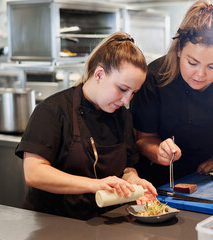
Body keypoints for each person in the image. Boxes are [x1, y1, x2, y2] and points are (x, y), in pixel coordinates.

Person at [15, 32, 157, 220]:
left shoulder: (122, 116)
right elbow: (34, 173)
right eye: (122, 89)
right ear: (99, 74)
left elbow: (127, 168)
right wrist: (94, 184)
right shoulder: (53, 110)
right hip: (52, 224)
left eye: (133, 93)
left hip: (101, 223)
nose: (126, 100)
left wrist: (134, 182)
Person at [130, 0, 213, 187]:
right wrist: (159, 151)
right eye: (192, 63)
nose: (201, 74)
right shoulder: (155, 77)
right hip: (162, 178)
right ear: (179, 49)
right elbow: (144, 138)